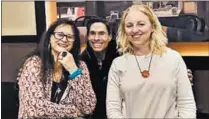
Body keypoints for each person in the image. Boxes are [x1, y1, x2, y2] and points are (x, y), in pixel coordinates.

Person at [106, 4, 196, 118]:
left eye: (141, 24)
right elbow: (113, 109)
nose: (134, 30)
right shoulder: (118, 64)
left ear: (152, 26)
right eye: (129, 25)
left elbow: (187, 105)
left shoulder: (174, 59)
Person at [16, 19, 96, 119]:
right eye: (59, 35)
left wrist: (73, 70)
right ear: (50, 37)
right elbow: (35, 108)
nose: (64, 39)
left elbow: (88, 107)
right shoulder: (34, 64)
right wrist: (73, 111)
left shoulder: (80, 66)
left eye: (70, 37)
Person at [81, 18, 119, 119]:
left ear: (110, 37)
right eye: (93, 33)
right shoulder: (81, 60)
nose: (96, 38)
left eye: (102, 33)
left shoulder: (120, 58)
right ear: (88, 37)